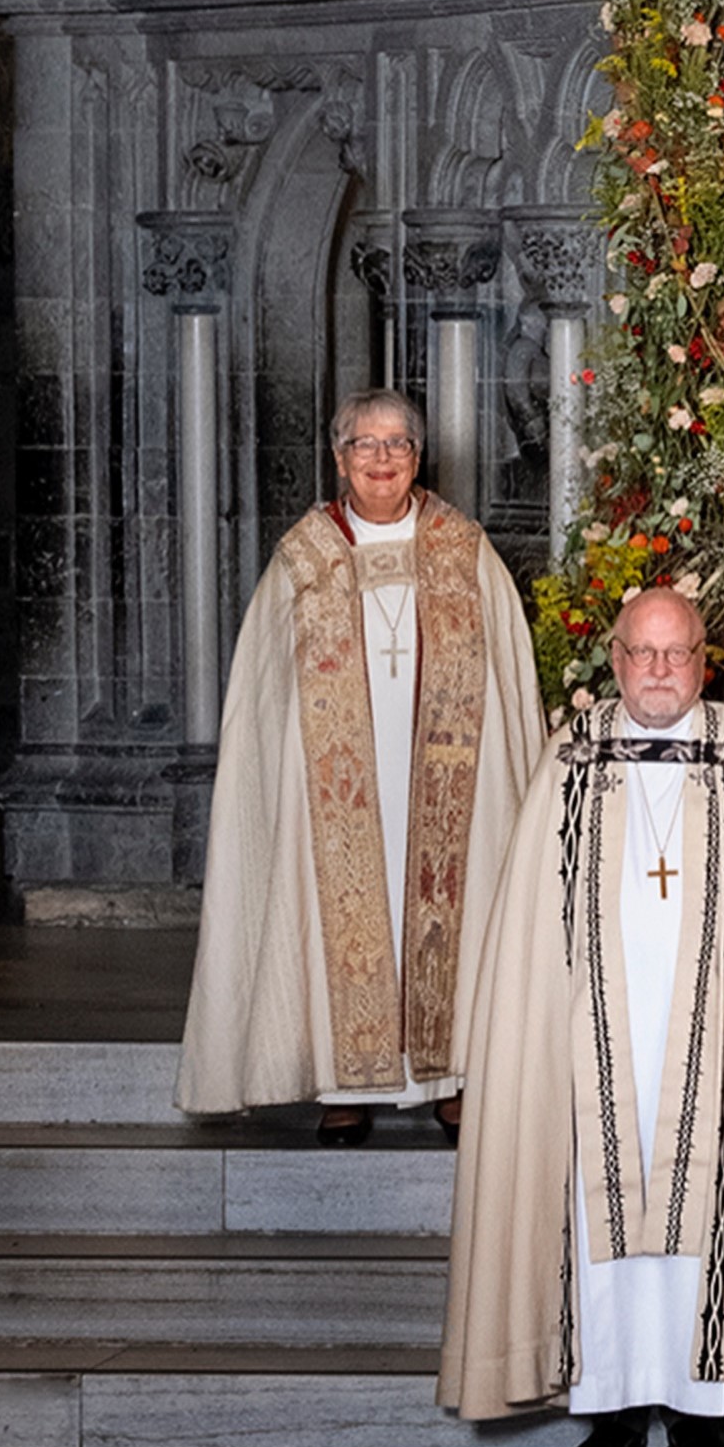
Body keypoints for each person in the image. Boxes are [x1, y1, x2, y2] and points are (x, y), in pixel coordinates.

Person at [441, 587, 724, 1447]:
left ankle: (701, 1412)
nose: (659, 671)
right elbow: (526, 930)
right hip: (595, 1037)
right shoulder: (570, 761)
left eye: (677, 654)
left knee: (710, 1216)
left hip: (716, 1038)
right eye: (642, 653)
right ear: (615, 661)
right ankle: (613, 1411)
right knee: (597, 1218)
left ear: (705, 661)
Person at [182, 389, 550, 1143]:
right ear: (339, 456)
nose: (381, 459)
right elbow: (262, 697)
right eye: (365, 444)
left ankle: (454, 1077)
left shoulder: (463, 548)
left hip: (448, 781)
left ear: (419, 457)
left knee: (461, 906)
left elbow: (510, 682)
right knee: (333, 915)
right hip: (335, 790)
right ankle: (340, 1083)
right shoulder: (304, 558)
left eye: (397, 445)